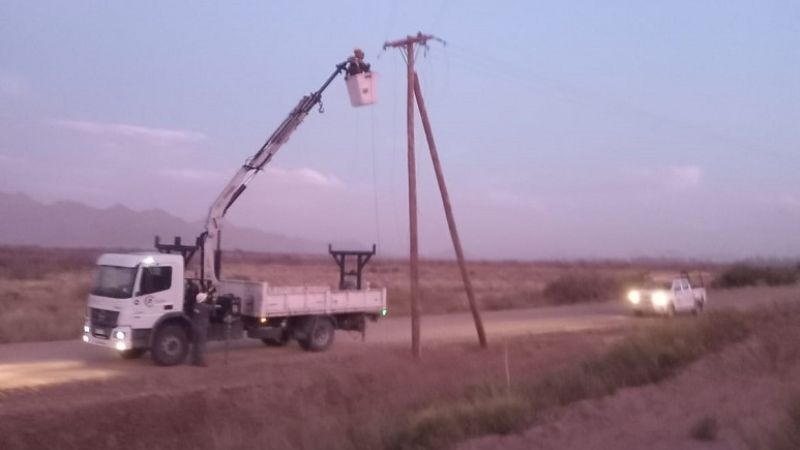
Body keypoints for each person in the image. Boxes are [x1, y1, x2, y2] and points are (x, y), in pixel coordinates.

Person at [190, 290, 214, 367]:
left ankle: (193, 360)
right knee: (200, 345)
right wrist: (213, 300)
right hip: (202, 328)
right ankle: (200, 362)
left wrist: (206, 294)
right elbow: (213, 308)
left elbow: (202, 300)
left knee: (195, 344)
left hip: (194, 326)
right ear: (202, 299)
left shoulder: (195, 305)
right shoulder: (205, 307)